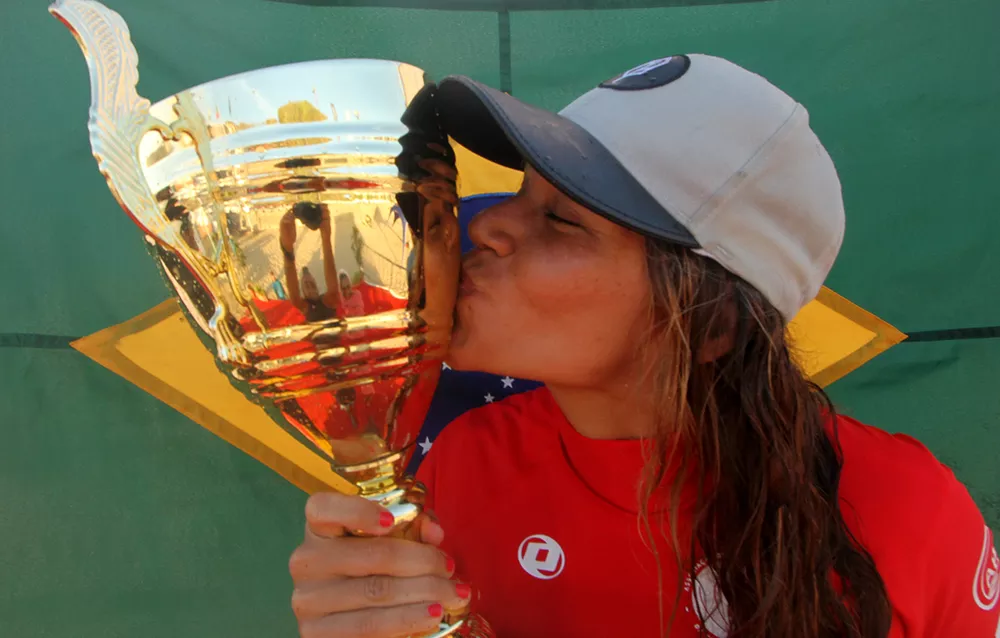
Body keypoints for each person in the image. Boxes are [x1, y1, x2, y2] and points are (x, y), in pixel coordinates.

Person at [288, 55, 999, 638]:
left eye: (562, 221)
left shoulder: (905, 511)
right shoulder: (460, 466)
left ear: (711, 325)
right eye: (520, 192)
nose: (489, 224)